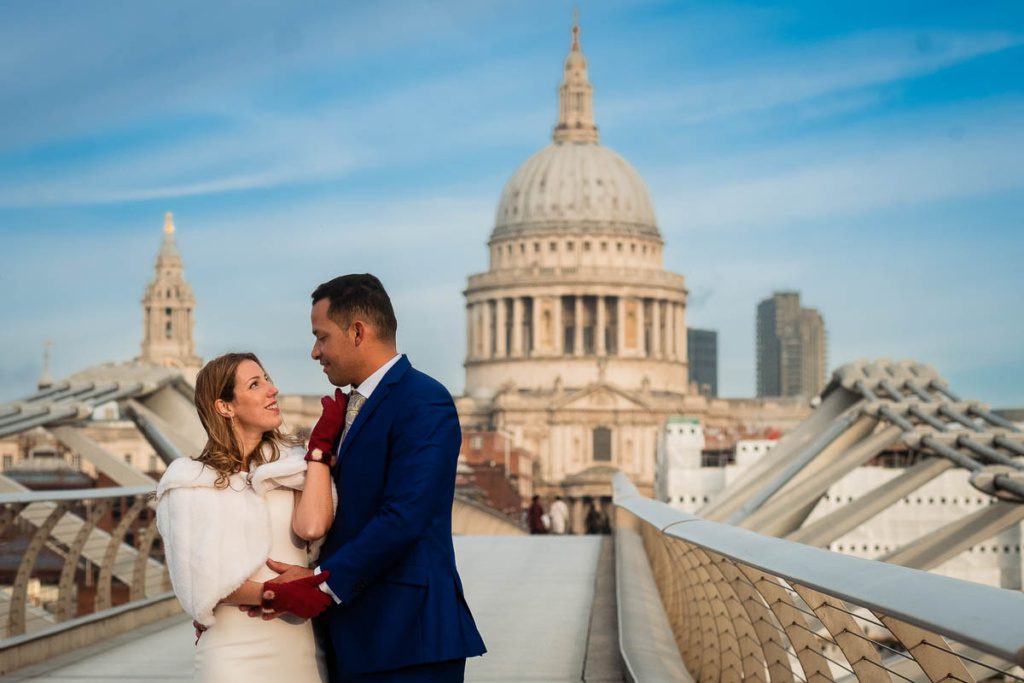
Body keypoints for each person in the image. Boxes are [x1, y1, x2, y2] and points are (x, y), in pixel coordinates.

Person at [255, 274, 486, 682]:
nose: (314, 352)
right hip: (359, 635)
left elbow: (406, 516)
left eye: (321, 337)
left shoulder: (423, 400)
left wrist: (320, 583)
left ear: (357, 332)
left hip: (408, 639)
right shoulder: (354, 406)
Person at [156, 352, 346, 682]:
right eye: (255, 384)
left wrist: (318, 451)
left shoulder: (293, 466)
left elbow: (312, 527)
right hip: (233, 647)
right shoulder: (187, 481)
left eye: (268, 379)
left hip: (298, 642)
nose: (272, 390)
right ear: (224, 406)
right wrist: (275, 594)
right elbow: (197, 580)